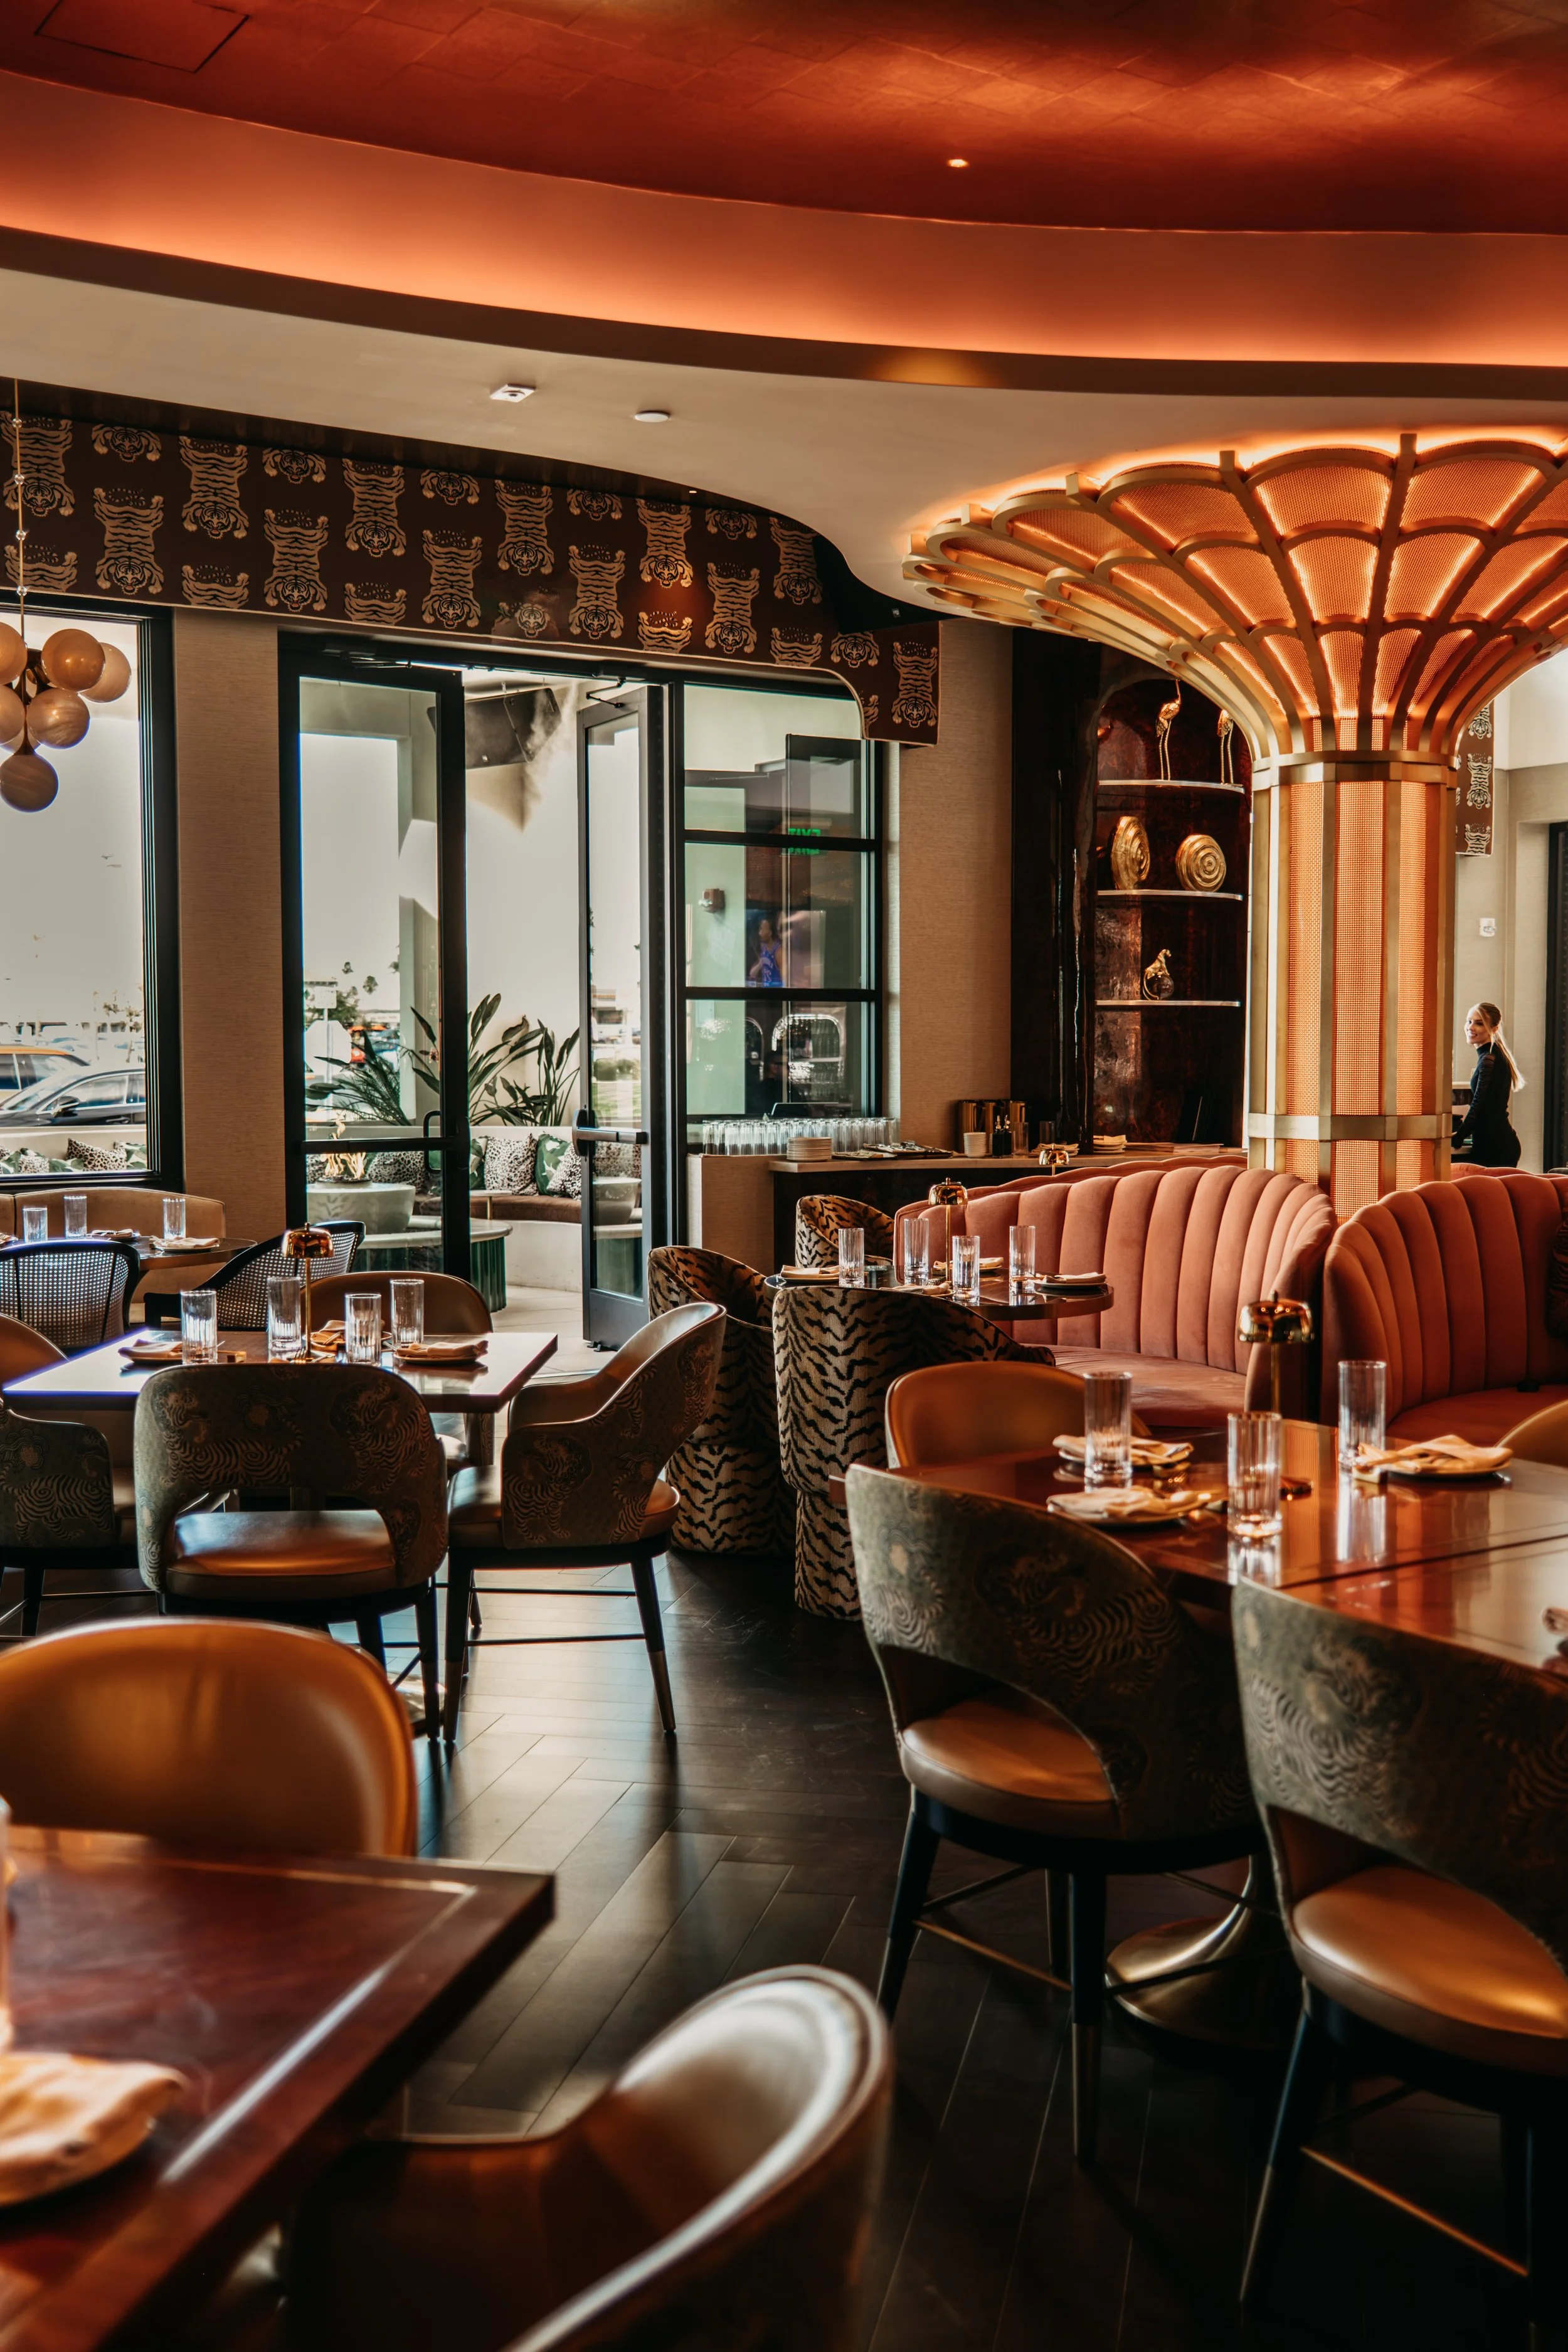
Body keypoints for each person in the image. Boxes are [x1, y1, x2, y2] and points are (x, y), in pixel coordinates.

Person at [1453, 1001, 1523, 1168]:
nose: (1471, 1027)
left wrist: (1458, 1137)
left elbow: (1479, 1105)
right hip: (1496, 1142)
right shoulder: (1492, 1055)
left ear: (1494, 1028)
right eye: (1469, 1021)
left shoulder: (1489, 1059)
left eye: (1479, 1023)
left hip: (1495, 1147)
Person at [749, 917, 783, 987]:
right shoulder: (764, 949)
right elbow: (752, 974)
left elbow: (785, 980)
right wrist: (759, 965)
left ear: (770, 933)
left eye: (762, 929)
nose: (759, 933)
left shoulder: (778, 951)